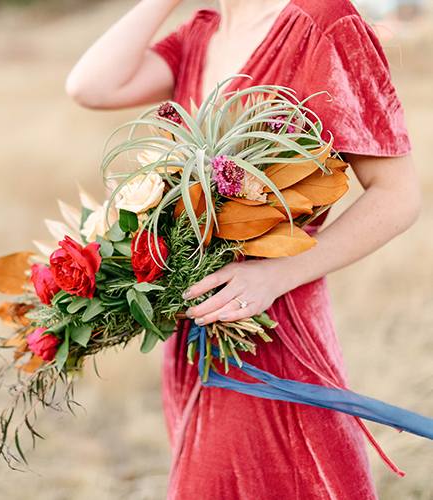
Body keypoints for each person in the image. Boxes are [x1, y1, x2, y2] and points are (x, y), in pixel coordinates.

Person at [66, 0, 421, 498]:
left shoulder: (322, 20)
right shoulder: (200, 35)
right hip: (198, 335)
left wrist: (275, 276)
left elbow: (399, 197)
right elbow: (89, 85)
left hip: (271, 329)